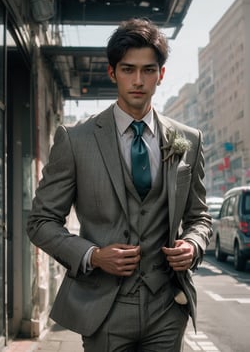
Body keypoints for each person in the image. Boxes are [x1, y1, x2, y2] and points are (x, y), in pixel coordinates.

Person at [27, 17, 212, 352]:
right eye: (128, 69)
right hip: (104, 309)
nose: (138, 80)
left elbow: (199, 217)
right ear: (112, 73)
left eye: (148, 70)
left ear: (161, 74)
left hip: (167, 308)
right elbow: (40, 222)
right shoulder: (75, 140)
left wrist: (192, 245)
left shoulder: (188, 140)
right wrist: (93, 256)